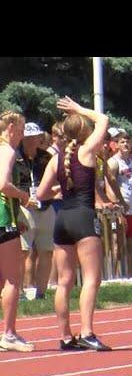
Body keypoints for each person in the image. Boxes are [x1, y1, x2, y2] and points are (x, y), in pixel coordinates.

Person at [36, 96, 111, 351]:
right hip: (83, 216)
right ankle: (87, 331)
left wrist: (60, 190)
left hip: (63, 218)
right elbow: (103, 119)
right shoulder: (87, 150)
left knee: (64, 281)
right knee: (91, 278)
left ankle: (65, 336)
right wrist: (79, 109)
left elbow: (41, 193)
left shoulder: (56, 159)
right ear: (84, 131)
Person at [0, 110, 35, 351]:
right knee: (13, 278)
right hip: (3, 217)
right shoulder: (8, 151)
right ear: (10, 127)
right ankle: (9, 333)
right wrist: (23, 196)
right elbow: (3, 184)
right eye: (21, 130)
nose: (22, 136)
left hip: (6, 215)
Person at [15, 122, 56, 300]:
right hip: (24, 207)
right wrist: (23, 197)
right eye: (29, 138)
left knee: (47, 250)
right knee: (23, 251)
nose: (32, 141)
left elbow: (55, 179)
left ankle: (41, 292)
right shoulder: (14, 157)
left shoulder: (46, 157)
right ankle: (20, 291)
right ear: (23, 138)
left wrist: (53, 192)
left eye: (35, 137)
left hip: (45, 207)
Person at [107, 133, 132, 277]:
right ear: (116, 144)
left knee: (131, 244)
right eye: (122, 142)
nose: (125, 144)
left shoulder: (131, 162)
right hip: (119, 208)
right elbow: (109, 185)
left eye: (127, 142)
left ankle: (131, 275)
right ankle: (117, 275)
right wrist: (117, 207)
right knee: (118, 243)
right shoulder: (113, 162)